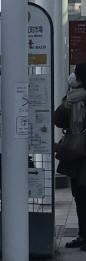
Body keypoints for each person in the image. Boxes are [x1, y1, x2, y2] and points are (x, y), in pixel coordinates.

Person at [54, 62, 86, 249]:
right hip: (76, 155)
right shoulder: (71, 98)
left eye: (75, 74)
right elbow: (58, 122)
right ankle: (82, 235)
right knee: (79, 196)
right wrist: (64, 108)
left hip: (79, 153)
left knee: (82, 196)